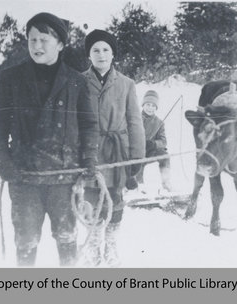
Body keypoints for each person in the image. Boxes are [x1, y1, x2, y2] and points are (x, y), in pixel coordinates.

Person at [0, 12, 99, 266]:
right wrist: (4, 164)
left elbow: (89, 125)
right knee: (26, 241)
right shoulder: (12, 78)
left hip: (65, 178)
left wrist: (89, 161)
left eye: (43, 40)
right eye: (32, 39)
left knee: (67, 237)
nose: (36, 46)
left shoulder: (76, 82)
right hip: (25, 178)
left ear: (60, 44)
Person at [83, 29, 145, 266]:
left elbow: (135, 121)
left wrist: (136, 158)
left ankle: (110, 246)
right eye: (95, 50)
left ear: (113, 54)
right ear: (89, 54)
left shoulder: (126, 84)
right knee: (90, 199)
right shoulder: (78, 81)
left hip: (117, 151)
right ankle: (92, 247)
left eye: (106, 49)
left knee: (115, 200)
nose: (101, 54)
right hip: (89, 152)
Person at [136, 90, 173, 193]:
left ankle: (166, 183)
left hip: (150, 151)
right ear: (143, 105)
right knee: (138, 159)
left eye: (153, 106)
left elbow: (163, 141)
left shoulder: (159, 123)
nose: (150, 108)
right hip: (136, 151)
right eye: (148, 104)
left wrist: (153, 144)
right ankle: (138, 185)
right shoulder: (134, 118)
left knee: (164, 155)